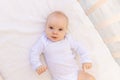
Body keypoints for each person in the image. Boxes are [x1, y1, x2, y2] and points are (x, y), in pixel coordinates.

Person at [30, 11, 95, 80]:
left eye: (60, 29)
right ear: (45, 27)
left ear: (65, 31)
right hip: (60, 78)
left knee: (90, 78)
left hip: (75, 73)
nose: (55, 32)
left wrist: (86, 60)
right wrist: (37, 65)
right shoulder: (43, 41)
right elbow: (34, 53)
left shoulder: (67, 39)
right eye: (51, 27)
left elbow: (81, 48)